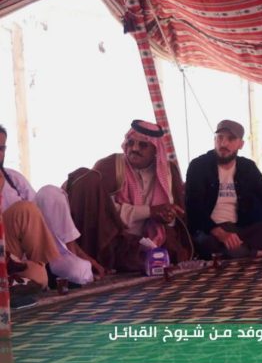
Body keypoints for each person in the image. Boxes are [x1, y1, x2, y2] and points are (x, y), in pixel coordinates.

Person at [66, 120, 192, 272]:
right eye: (131, 143)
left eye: (143, 145)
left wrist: (168, 217)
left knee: (173, 256)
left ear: (155, 150)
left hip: (154, 238)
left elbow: (176, 216)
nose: (134, 149)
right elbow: (102, 214)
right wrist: (150, 211)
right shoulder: (109, 166)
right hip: (118, 237)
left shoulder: (168, 171)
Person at [0, 125, 102, 289]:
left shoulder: (13, 178)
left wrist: (81, 255)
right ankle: (42, 273)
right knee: (24, 211)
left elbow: (40, 220)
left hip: (23, 256)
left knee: (50, 194)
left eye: (1, 149)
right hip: (4, 251)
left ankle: (48, 268)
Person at [185, 119, 262, 258]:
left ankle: (244, 250)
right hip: (210, 230)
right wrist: (219, 232)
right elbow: (194, 208)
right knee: (208, 244)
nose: (223, 143)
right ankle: (260, 253)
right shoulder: (198, 166)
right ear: (214, 139)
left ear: (241, 144)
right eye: (220, 137)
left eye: (231, 139)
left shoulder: (247, 167)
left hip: (240, 230)